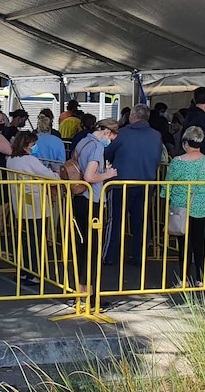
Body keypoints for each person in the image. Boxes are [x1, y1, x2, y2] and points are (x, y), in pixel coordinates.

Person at [102, 104, 163, 267]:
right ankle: (139, 256)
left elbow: (108, 153)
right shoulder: (156, 135)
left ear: (133, 116)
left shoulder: (123, 134)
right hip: (146, 182)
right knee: (141, 221)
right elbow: (158, 159)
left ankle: (109, 256)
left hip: (122, 182)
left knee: (116, 220)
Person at [161, 126, 205, 288]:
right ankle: (201, 279)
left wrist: (164, 197)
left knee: (184, 245)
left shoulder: (177, 162)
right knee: (199, 244)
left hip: (180, 209)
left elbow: (167, 185)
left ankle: (184, 279)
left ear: (185, 142)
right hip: (201, 208)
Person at [71, 119, 118, 295]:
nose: (110, 142)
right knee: (93, 247)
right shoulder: (98, 147)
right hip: (92, 198)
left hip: (79, 197)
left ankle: (80, 288)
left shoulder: (83, 141)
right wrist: (108, 174)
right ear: (107, 133)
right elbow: (90, 177)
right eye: (112, 138)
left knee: (82, 245)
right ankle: (91, 292)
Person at [6, 131, 59, 285]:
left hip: (19, 203)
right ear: (26, 145)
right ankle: (33, 273)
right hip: (35, 204)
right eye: (33, 144)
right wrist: (56, 175)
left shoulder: (11, 159)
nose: (35, 147)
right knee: (36, 240)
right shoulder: (30, 160)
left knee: (24, 239)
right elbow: (47, 175)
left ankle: (23, 271)